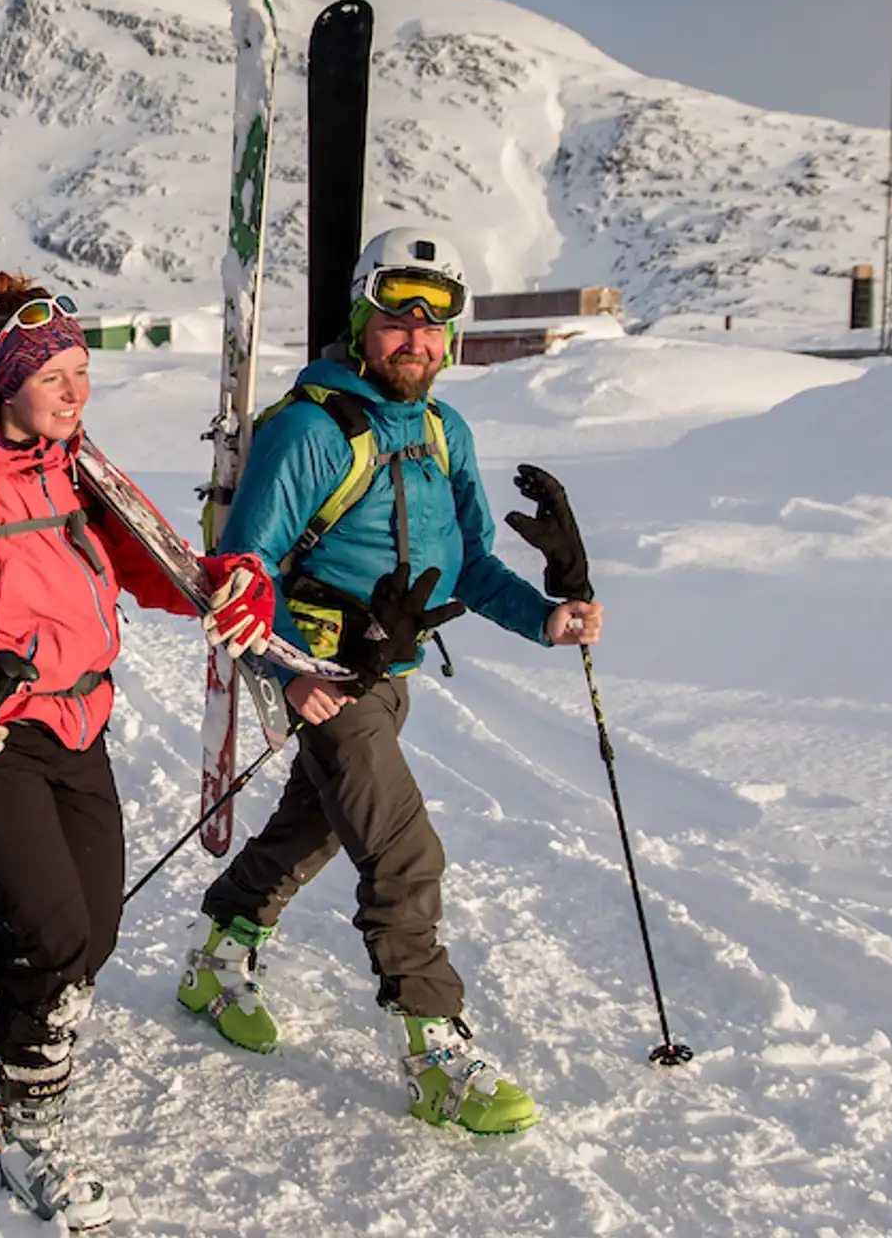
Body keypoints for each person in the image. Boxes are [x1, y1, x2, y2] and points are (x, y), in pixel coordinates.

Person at [0, 276, 275, 1229]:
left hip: (81, 729)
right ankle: (31, 1133)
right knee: (52, 940)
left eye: (82, 370)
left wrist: (227, 582)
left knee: (91, 936)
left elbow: (155, 568)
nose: (73, 388)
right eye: (52, 373)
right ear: (6, 379)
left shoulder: (69, 471)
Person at [181, 226, 604, 1136]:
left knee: (316, 825)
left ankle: (221, 947)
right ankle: (435, 1050)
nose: (415, 337)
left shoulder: (447, 433)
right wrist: (290, 674)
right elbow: (241, 571)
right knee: (403, 852)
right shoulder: (309, 430)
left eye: (433, 321)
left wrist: (546, 617)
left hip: (391, 677)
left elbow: (469, 563)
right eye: (395, 318)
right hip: (325, 678)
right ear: (362, 321)